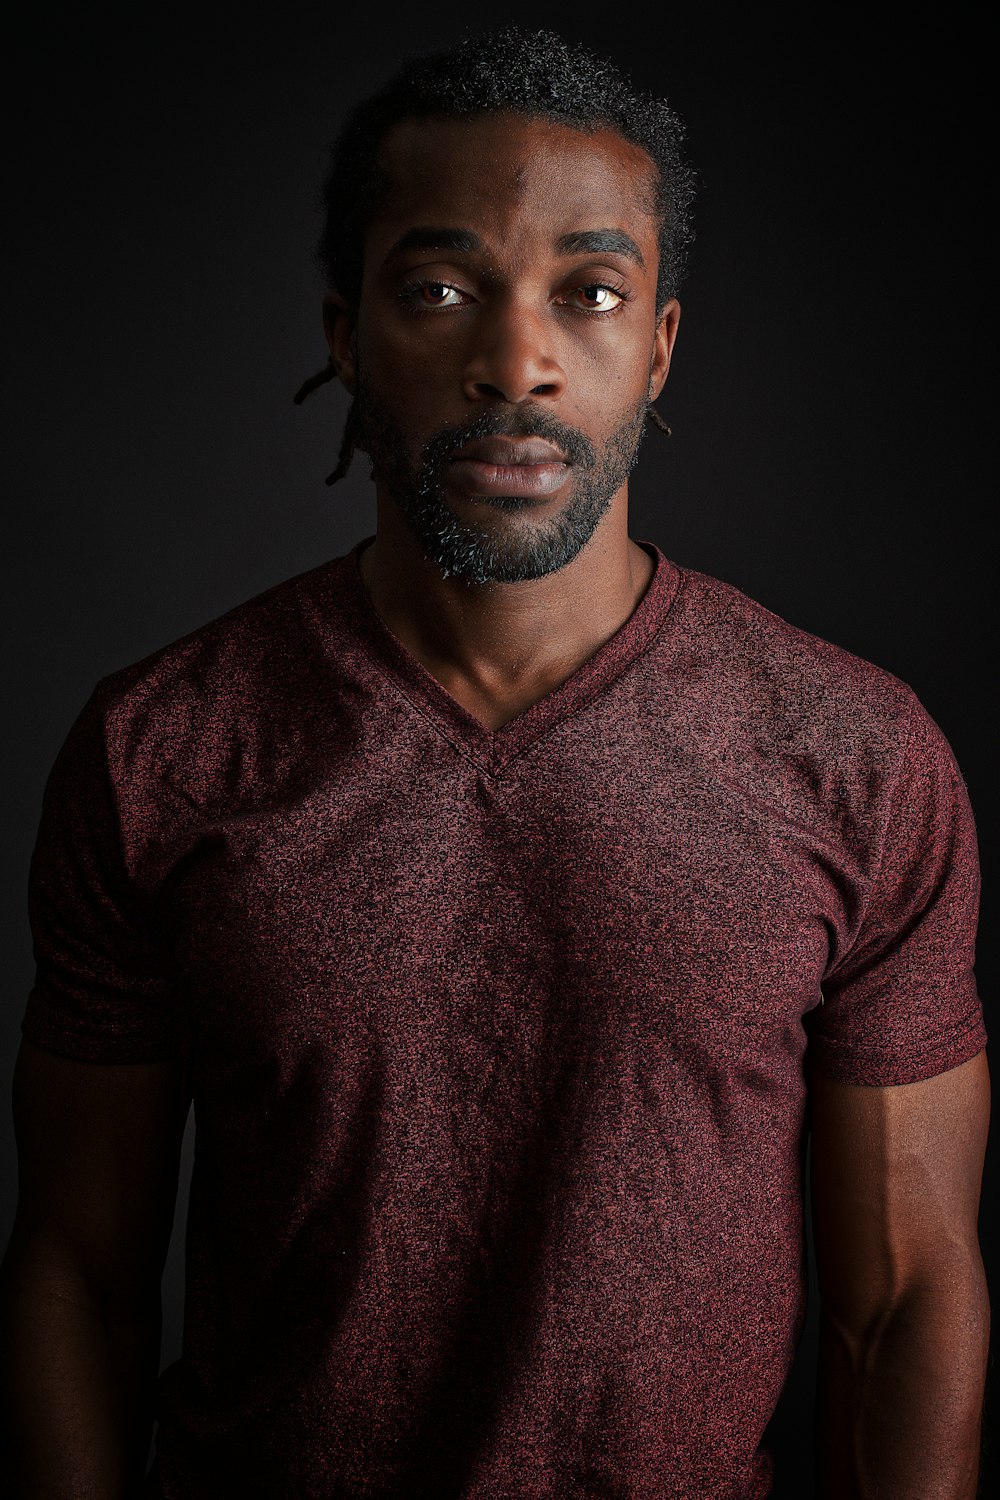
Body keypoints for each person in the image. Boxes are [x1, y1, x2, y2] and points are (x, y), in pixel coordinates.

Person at [0, 25, 990, 1500]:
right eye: (441, 288)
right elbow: (77, 1267)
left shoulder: (855, 754)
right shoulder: (163, 747)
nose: (514, 361)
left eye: (589, 294)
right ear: (347, 332)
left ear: (657, 345)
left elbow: (904, 1299)